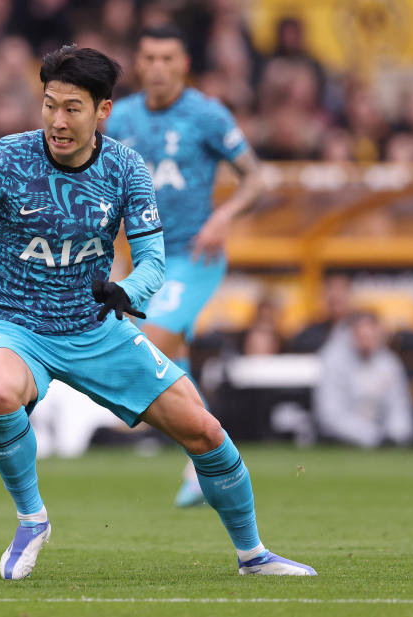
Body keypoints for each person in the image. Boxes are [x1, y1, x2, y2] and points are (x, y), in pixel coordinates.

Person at [0, 45, 315, 578]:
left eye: (72, 108)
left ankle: (253, 556)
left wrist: (128, 292)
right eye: (49, 105)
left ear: (102, 111)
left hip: (94, 328)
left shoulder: (126, 169)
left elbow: (155, 262)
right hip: (12, 323)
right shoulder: (6, 160)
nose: (57, 121)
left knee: (205, 432)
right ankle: (32, 518)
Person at [104, 25, 263, 508]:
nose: (157, 68)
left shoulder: (207, 115)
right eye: (149, 57)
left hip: (194, 256)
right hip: (144, 260)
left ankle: (202, 456)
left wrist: (223, 216)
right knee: (174, 363)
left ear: (184, 63)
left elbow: (255, 178)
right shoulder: (121, 116)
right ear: (138, 61)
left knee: (152, 345)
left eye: (167, 58)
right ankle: (208, 460)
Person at [313, 311, 413, 448]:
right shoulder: (333, 361)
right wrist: (372, 436)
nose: (368, 341)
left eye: (372, 336)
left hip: (381, 440)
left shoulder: (389, 362)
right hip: (340, 441)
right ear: (352, 334)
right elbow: (331, 415)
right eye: (363, 336)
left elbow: (399, 406)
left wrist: (397, 435)